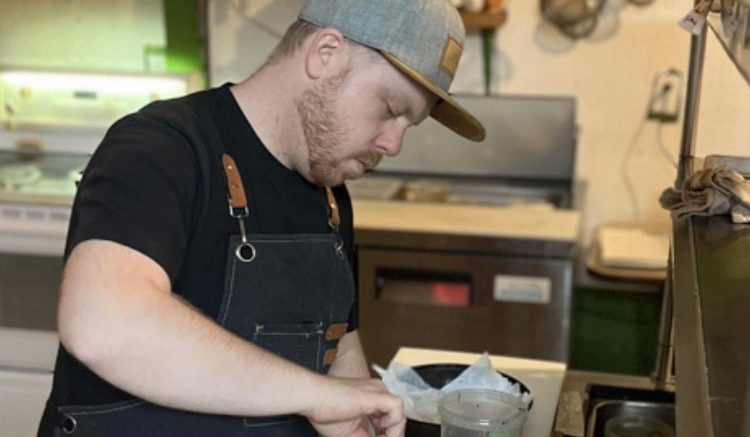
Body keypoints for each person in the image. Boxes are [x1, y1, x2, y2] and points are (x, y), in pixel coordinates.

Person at [37, 0, 485, 436]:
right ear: (325, 54)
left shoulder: (331, 195)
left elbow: (340, 348)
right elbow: (103, 324)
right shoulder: (162, 147)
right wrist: (316, 396)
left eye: (409, 125)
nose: (393, 145)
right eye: (390, 109)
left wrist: (354, 413)